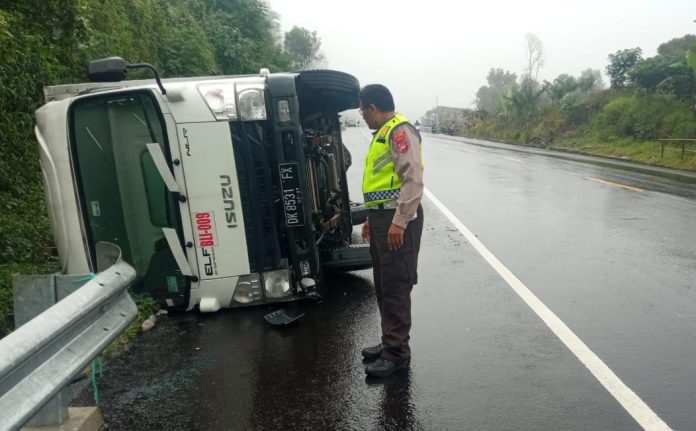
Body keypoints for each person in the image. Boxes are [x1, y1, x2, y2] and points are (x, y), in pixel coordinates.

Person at [358, 84, 424, 377]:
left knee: (396, 285)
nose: (362, 116)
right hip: (383, 217)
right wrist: (373, 218)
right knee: (384, 284)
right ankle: (389, 343)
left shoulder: (399, 132)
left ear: (373, 108)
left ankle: (397, 354)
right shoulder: (383, 134)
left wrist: (399, 221)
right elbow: (384, 185)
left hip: (398, 219)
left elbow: (412, 180)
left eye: (363, 110)